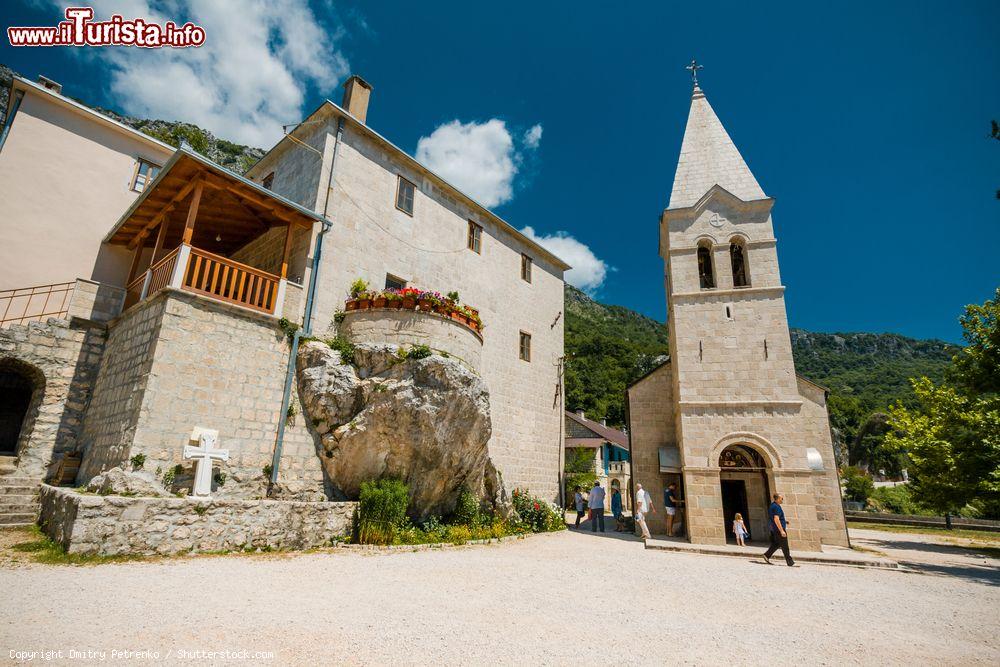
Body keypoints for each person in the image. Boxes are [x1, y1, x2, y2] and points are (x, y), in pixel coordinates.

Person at [762, 493, 795, 566]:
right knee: (785, 545)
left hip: (775, 528)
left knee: (777, 544)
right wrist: (782, 531)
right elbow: (776, 519)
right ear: (778, 499)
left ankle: (767, 555)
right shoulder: (776, 507)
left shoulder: (773, 505)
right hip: (778, 529)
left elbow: (776, 518)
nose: (782, 500)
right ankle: (790, 562)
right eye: (781, 498)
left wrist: (784, 521)